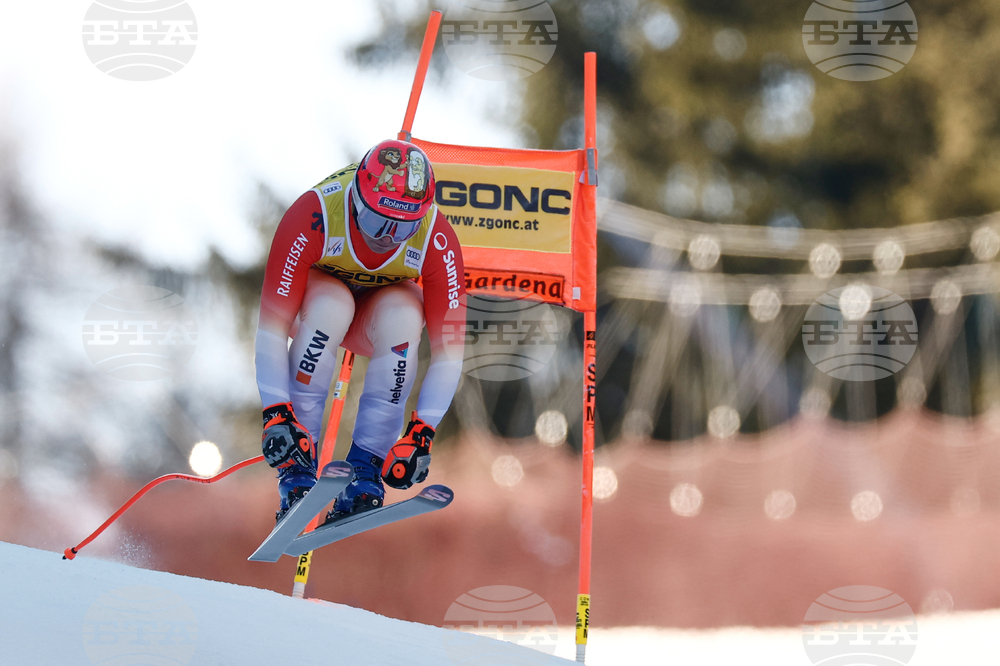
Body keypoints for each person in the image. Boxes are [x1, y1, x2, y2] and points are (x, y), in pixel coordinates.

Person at [254, 139, 466, 522]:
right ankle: (298, 466)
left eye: (402, 228)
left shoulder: (436, 237)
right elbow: (271, 329)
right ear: (355, 200)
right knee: (332, 307)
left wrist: (422, 433)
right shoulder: (315, 212)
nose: (386, 237)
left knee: (405, 317)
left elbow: (450, 353)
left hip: (377, 318)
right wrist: (276, 413)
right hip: (319, 307)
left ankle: (366, 469)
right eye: (375, 222)